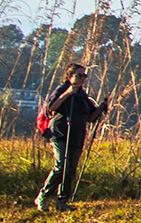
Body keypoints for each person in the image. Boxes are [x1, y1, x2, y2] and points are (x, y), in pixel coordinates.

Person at [35, 63, 106, 211]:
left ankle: (62, 201)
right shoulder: (62, 89)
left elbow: (90, 118)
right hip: (60, 134)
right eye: (78, 75)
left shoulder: (82, 95)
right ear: (69, 76)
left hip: (77, 136)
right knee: (61, 166)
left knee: (70, 170)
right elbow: (51, 108)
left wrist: (100, 108)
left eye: (84, 76)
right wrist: (68, 93)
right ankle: (43, 196)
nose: (82, 79)